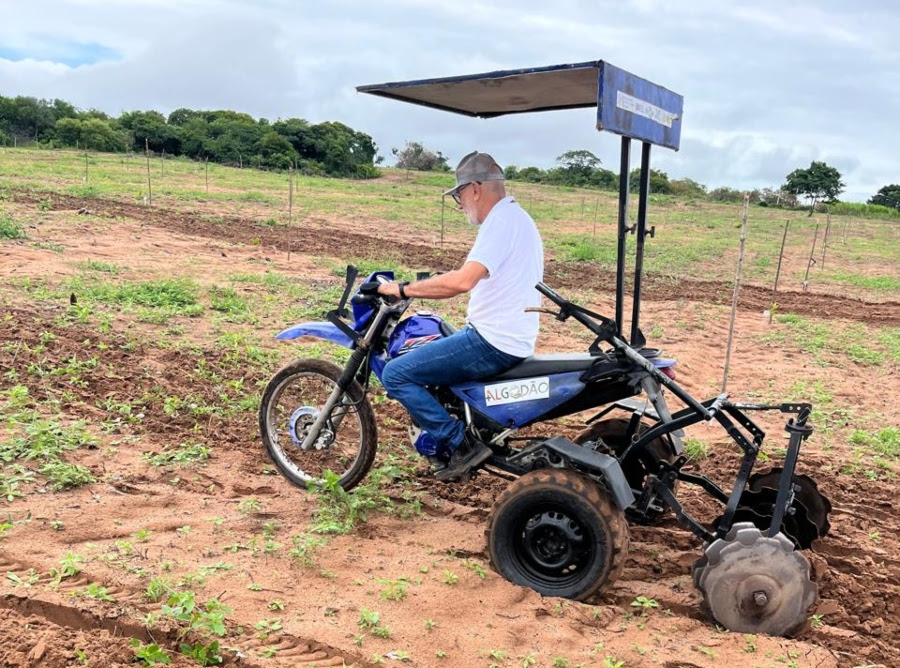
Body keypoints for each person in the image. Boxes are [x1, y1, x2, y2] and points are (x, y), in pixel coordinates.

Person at [377, 151, 544, 481]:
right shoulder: (518, 218)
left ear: (475, 189)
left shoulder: (500, 222)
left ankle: (460, 444)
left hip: (492, 341)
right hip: (512, 336)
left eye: (459, 195)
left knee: (396, 374)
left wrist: (405, 289)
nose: (459, 204)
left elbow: (463, 281)